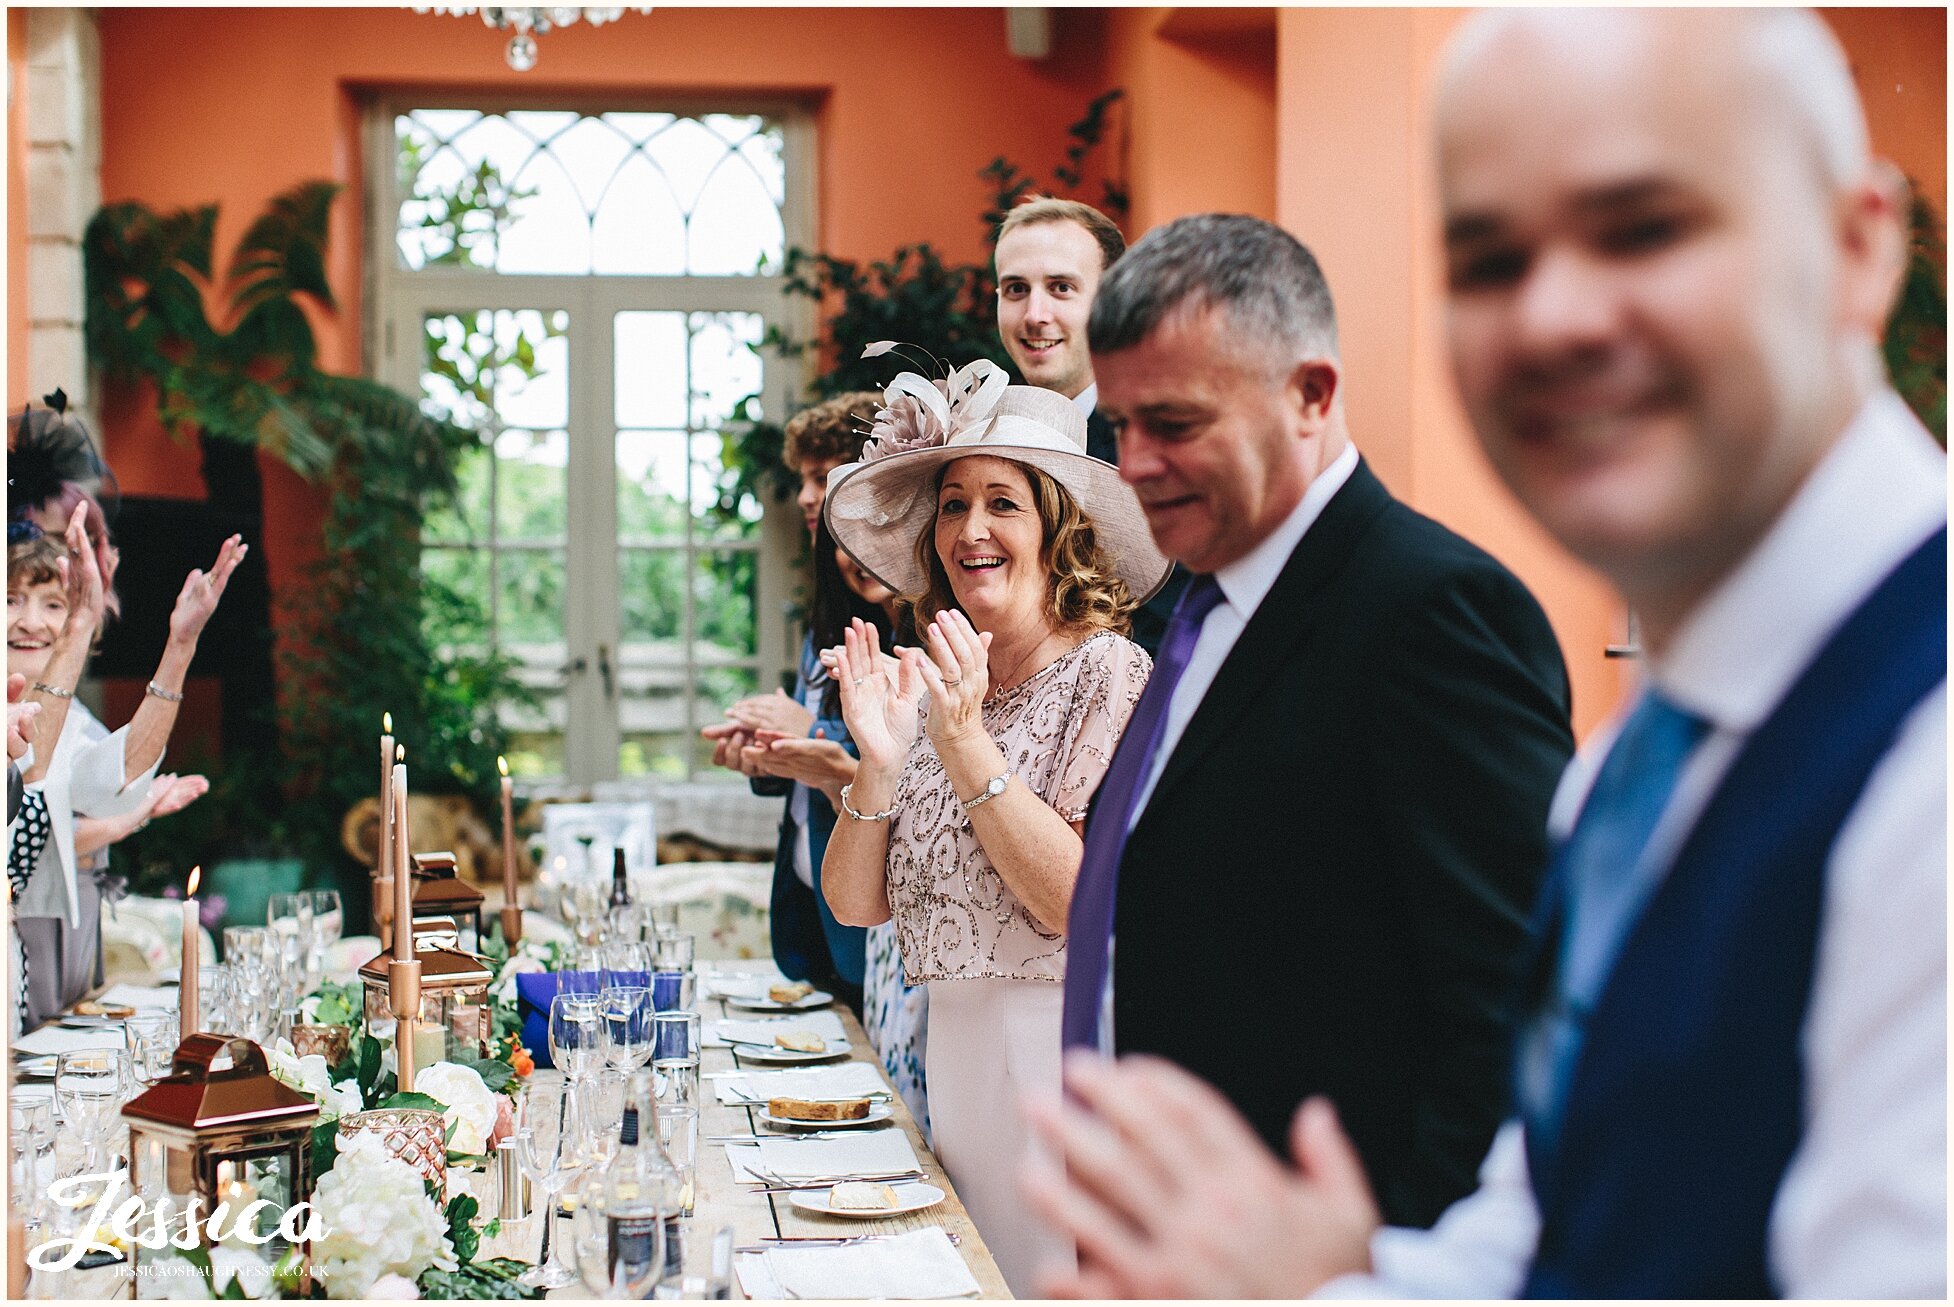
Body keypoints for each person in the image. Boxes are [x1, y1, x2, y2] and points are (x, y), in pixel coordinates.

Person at [1020, 8, 1944, 1300]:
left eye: (1644, 227)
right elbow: (1548, 1213)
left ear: (1856, 247)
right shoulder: (1648, 742)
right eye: (1488, 257)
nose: (1554, 314)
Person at [1053, 210, 1573, 1237]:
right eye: (1117, 427)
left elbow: (1511, 1010)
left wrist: (1381, 1270)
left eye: (1175, 422)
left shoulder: (1429, 613)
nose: (1136, 464)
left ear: (1310, 393)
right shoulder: (1190, 606)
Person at [820, 357, 1166, 1295]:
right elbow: (857, 904)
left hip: (1060, 1064)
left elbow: (1068, 902)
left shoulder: (1108, 676)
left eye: (1003, 502)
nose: (972, 528)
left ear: (1058, 530)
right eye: (952, 503)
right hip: (952, 1058)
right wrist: (883, 763)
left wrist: (966, 744)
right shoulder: (942, 682)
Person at [8, 506, 244, 1027]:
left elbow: (117, 779)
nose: (30, 620)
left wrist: (180, 645)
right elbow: (33, 816)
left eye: (52, 604)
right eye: (11, 600)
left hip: (63, 921)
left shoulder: (74, 719)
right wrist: (129, 820)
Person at [995, 196, 1185, 652]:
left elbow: (1173, 632)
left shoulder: (1163, 448)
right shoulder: (983, 435)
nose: (1035, 315)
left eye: (1061, 288)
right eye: (1016, 289)